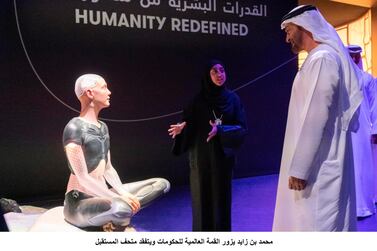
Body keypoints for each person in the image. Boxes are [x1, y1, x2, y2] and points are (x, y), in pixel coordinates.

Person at [273, 5, 363, 231]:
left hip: (319, 163)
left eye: (288, 31)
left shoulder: (323, 59)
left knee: (317, 224)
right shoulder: (317, 58)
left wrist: (300, 167)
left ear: (303, 26)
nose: (287, 38)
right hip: (317, 158)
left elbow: (316, 114)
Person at [63, 73, 170, 231]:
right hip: (80, 201)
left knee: (161, 184)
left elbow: (108, 168)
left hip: (103, 195)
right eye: (104, 87)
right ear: (90, 93)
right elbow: (83, 177)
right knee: (122, 208)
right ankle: (121, 209)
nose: (109, 92)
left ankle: (123, 207)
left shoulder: (103, 127)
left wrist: (122, 193)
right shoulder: (74, 128)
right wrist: (117, 197)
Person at [168, 60, 247, 231]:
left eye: (222, 70)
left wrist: (220, 129)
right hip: (201, 159)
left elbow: (241, 127)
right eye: (214, 72)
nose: (219, 75)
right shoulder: (198, 100)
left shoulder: (233, 99)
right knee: (201, 201)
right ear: (207, 75)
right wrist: (184, 126)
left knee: (221, 201)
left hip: (221, 159)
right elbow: (189, 120)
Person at [347, 45, 377, 218]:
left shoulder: (368, 79)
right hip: (345, 130)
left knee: (363, 166)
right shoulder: (341, 79)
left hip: (364, 130)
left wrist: (375, 129)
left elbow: (375, 105)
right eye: (351, 56)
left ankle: (363, 205)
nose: (355, 59)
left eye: (357, 56)